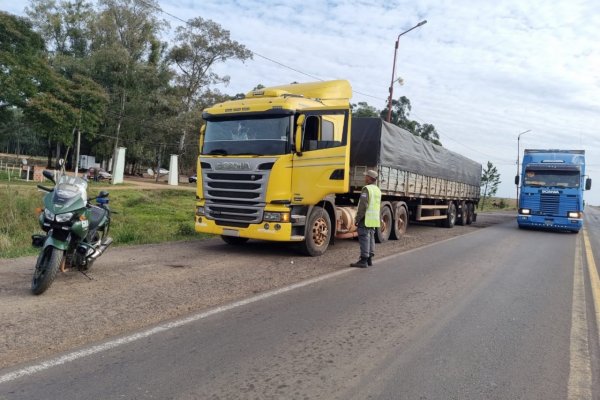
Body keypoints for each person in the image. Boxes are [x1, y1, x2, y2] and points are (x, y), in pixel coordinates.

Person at [351, 169, 381, 268]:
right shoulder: (377, 189)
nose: (365, 178)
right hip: (373, 219)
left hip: (365, 218)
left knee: (364, 238)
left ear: (369, 178)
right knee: (371, 237)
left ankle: (363, 260)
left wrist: (358, 218)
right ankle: (369, 259)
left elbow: (363, 205)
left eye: (366, 176)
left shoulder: (366, 189)